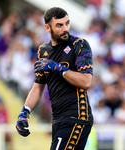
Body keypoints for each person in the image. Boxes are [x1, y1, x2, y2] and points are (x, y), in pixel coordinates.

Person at [15, 7, 94, 150]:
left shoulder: (79, 45)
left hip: (76, 117)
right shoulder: (43, 51)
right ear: (47, 27)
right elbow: (38, 87)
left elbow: (86, 81)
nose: (65, 28)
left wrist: (58, 68)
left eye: (67, 23)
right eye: (59, 25)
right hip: (58, 119)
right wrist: (25, 111)